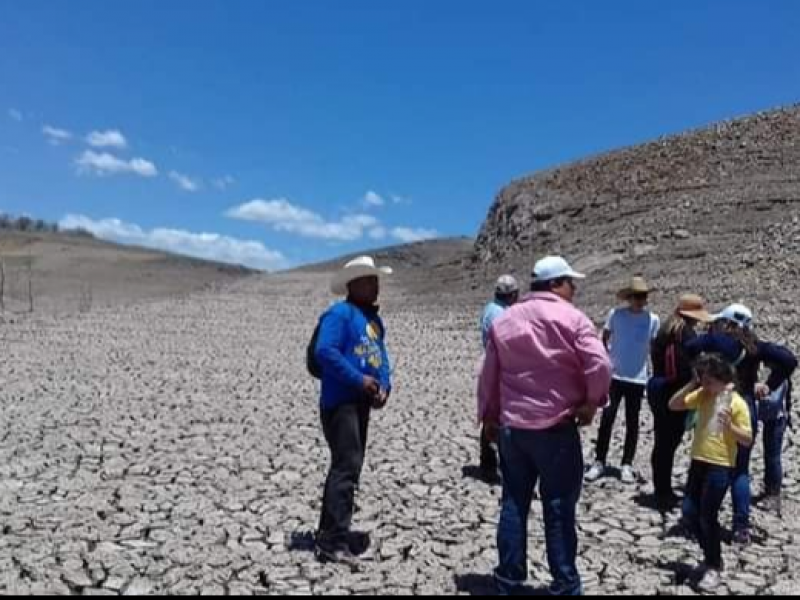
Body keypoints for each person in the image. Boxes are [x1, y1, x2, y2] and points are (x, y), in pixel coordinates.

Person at [478, 256, 612, 596]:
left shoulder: (505, 320)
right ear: (555, 284)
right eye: (570, 282)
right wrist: (591, 402)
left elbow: (489, 375)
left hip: (514, 428)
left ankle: (508, 578)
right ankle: (565, 583)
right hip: (555, 429)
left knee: (513, 502)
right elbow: (599, 364)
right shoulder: (573, 318)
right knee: (558, 507)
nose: (574, 288)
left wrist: (489, 416)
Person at [685, 304, 797, 544]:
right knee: (740, 471)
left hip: (717, 404)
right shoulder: (754, 345)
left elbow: (690, 347)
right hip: (745, 406)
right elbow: (789, 359)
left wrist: (699, 374)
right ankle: (741, 526)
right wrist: (772, 383)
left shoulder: (716, 340)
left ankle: (696, 519)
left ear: (727, 322)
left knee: (706, 463)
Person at [313, 256, 393, 563]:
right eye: (370, 281)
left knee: (351, 466)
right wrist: (359, 380)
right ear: (354, 284)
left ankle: (333, 531)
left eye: (376, 281)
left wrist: (384, 385)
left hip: (360, 402)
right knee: (345, 466)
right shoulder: (339, 314)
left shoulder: (373, 321)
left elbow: (381, 357)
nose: (376, 286)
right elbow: (325, 352)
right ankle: (331, 541)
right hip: (341, 402)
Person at [669, 354, 753, 593]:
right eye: (703, 379)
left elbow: (747, 439)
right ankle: (709, 556)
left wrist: (731, 427)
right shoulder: (703, 395)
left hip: (720, 465)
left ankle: (714, 564)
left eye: (708, 380)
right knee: (689, 511)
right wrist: (693, 384)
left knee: (708, 515)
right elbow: (674, 404)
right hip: (698, 461)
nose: (705, 384)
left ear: (721, 379)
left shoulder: (735, 403)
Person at [586, 277, 660, 485]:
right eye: (637, 296)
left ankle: (626, 463)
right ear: (629, 297)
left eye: (643, 296)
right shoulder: (616, 315)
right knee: (608, 417)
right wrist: (605, 357)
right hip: (615, 376)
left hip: (638, 378)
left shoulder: (652, 319)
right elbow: (605, 336)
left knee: (632, 421)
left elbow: (653, 345)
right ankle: (599, 461)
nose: (640, 300)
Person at [648, 294, 714, 512]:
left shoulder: (666, 328)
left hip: (658, 386)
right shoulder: (685, 333)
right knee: (670, 441)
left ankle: (661, 487)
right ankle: (663, 492)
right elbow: (688, 366)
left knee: (662, 441)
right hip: (676, 389)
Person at [479, 275, 521, 481]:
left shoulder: (490, 309)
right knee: (497, 414)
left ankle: (488, 461)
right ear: (512, 294)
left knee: (491, 412)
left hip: (491, 365)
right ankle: (491, 463)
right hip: (498, 368)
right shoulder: (500, 314)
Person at [757, 350, 797, 515]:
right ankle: (769, 489)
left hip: (776, 420)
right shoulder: (777, 376)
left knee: (773, 457)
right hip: (773, 419)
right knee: (770, 455)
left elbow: (773, 402)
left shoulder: (778, 379)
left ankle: (773, 493)